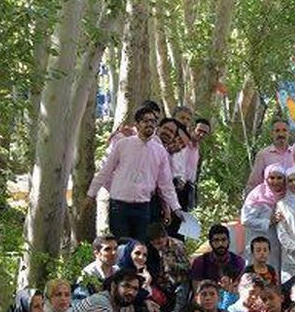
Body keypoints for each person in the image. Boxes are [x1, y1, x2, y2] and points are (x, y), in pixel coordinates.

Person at [88, 103, 181, 241]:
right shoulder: (123, 144)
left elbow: (165, 184)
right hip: (119, 205)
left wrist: (175, 208)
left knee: (140, 247)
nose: (150, 124)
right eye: (145, 121)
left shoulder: (159, 150)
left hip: (143, 206)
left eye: (153, 121)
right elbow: (105, 171)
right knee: (123, 248)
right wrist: (90, 195)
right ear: (137, 125)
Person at [241, 164, 287, 272]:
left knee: (275, 274)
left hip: (278, 244)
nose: (275, 181)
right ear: (266, 178)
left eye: (279, 178)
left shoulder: (286, 194)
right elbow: (245, 220)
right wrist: (268, 222)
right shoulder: (257, 195)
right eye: (271, 178)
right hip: (259, 242)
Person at [246, 118, 295, 194]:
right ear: (272, 133)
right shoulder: (263, 155)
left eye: (284, 130)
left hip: (293, 201)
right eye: (277, 131)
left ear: (289, 133)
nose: (281, 134)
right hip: (270, 202)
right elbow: (253, 183)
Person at [190, 224, 247, 291]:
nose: (220, 244)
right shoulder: (200, 262)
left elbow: (242, 290)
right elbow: (197, 292)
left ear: (229, 241)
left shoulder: (238, 261)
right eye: (216, 240)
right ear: (211, 243)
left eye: (223, 240)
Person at [76, 235, 120, 300]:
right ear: (97, 253)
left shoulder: (117, 271)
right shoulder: (87, 274)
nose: (114, 252)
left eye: (115, 248)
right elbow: (80, 301)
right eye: (107, 249)